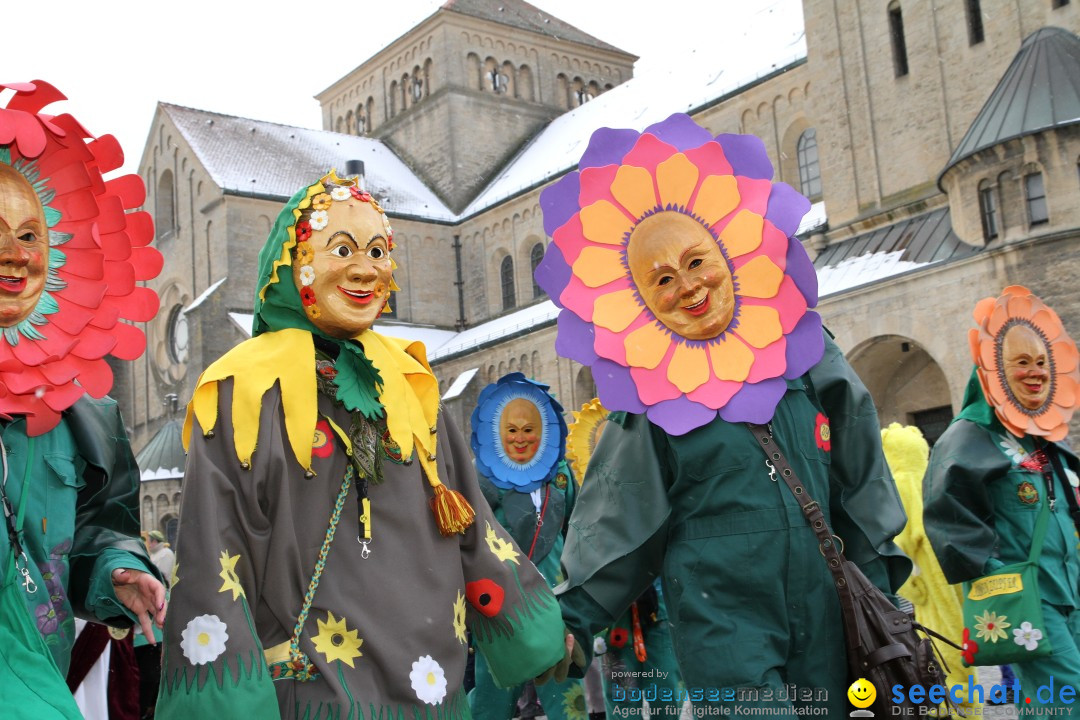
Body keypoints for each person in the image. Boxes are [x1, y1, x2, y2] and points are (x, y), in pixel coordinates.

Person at [156, 171, 573, 719]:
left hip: (432, 691)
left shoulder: (410, 383)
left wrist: (532, 632)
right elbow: (215, 554)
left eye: (378, 250)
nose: (365, 269)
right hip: (316, 696)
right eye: (342, 248)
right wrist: (223, 702)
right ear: (291, 263)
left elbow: (468, 521)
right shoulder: (243, 394)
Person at [534, 113, 910, 717]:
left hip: (826, 607)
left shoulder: (806, 353)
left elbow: (858, 471)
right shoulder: (647, 396)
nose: (687, 286)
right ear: (632, 295)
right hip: (723, 622)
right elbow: (619, 512)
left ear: (730, 251)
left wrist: (879, 583)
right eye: (660, 278)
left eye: (695, 261)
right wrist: (571, 620)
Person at [0, 80, 166, 719]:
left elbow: (100, 527)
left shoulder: (87, 414)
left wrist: (115, 573)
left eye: (28, 236)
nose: (13, 257)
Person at [924, 285, 1080, 706]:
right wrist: (997, 580)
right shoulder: (968, 438)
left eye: (1043, 362)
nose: (1037, 371)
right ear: (993, 368)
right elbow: (948, 518)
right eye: (1022, 361)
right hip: (1029, 600)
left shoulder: (1044, 442)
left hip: (1073, 591)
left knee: (1046, 701)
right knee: (1070, 697)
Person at [467, 373, 587, 720]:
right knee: (493, 700)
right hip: (503, 604)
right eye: (512, 429)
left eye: (529, 429)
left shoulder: (560, 473)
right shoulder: (482, 476)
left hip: (557, 603)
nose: (520, 439)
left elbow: (577, 528)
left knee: (568, 698)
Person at [566, 400, 682, 720]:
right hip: (614, 618)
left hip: (658, 611)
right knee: (622, 700)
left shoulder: (657, 489)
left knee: (666, 694)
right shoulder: (593, 505)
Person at [880, 423, 977, 711]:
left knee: (939, 656)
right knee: (963, 648)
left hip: (933, 590)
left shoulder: (901, 487)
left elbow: (901, 544)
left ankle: (952, 712)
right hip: (957, 578)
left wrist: (914, 589)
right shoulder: (936, 478)